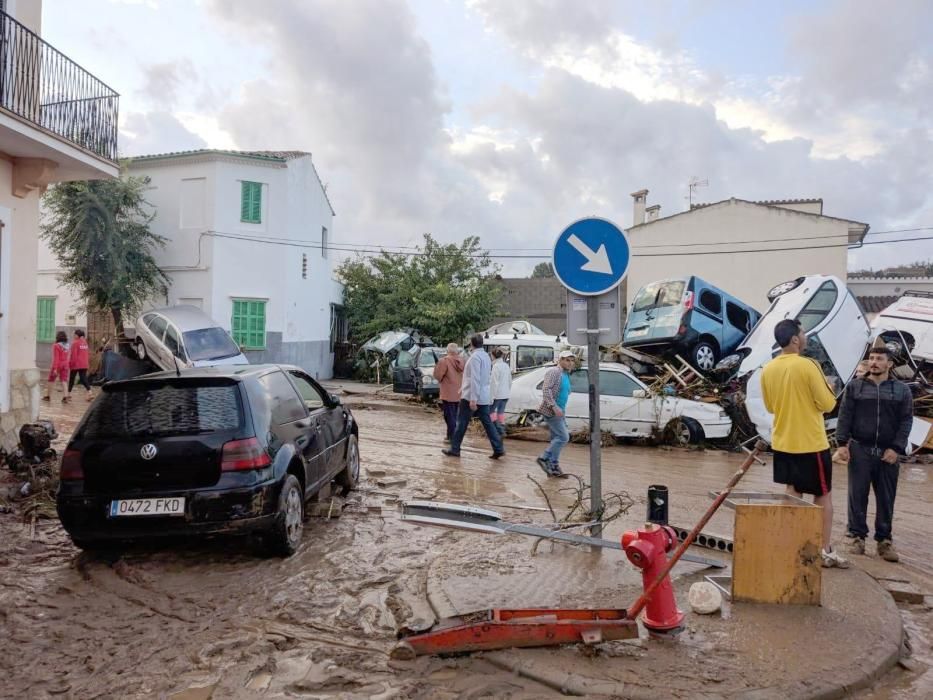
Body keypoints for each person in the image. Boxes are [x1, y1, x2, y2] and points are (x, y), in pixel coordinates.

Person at [760, 319, 848, 568]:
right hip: (810, 442)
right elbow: (828, 405)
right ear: (795, 340)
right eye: (803, 332)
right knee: (823, 495)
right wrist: (829, 388)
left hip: (783, 441)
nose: (805, 336)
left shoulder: (768, 368)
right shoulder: (809, 365)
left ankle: (791, 545)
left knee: (793, 492)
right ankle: (824, 550)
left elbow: (769, 406)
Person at [835, 346, 913, 562]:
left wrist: (897, 448)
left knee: (887, 498)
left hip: (888, 452)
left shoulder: (901, 391)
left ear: (890, 364)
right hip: (860, 448)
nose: (874, 362)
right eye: (871, 358)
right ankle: (857, 537)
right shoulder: (855, 388)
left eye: (879, 359)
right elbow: (845, 416)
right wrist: (842, 443)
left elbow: (906, 420)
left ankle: (884, 541)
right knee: (857, 495)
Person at [442, 334, 505, 459]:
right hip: (482, 396)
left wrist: (473, 399)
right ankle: (498, 447)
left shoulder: (475, 357)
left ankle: (455, 449)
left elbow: (475, 379)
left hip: (472, 396)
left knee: (462, 423)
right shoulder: (486, 356)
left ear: (471, 344)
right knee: (487, 423)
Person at [535, 350, 576, 478]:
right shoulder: (554, 372)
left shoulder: (565, 374)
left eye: (571, 360)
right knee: (564, 437)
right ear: (560, 360)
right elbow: (546, 390)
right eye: (567, 360)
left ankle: (554, 467)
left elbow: (565, 391)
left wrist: (561, 409)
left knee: (556, 439)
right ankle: (544, 458)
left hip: (560, 411)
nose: (570, 363)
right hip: (552, 411)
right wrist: (554, 407)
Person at [434, 343, 465, 443]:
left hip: (447, 393)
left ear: (447, 350)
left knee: (448, 416)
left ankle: (452, 437)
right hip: (459, 393)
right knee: (454, 415)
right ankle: (450, 436)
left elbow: (438, 375)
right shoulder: (462, 361)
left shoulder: (444, 361)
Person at [43, 331, 71, 403]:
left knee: (51, 380)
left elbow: (56, 358)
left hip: (58, 364)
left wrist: (55, 368)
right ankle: (65, 396)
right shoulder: (67, 345)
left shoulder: (56, 345)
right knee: (64, 380)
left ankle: (47, 396)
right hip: (65, 364)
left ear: (57, 337)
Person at [489, 347, 512, 437]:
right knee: (500, 413)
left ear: (493, 356)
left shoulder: (496, 366)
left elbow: (494, 383)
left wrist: (491, 397)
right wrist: (507, 391)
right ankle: (502, 430)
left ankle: (499, 431)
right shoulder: (506, 366)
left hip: (497, 395)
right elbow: (510, 381)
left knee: (490, 412)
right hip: (505, 394)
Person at [68, 329, 93, 401]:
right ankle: (90, 392)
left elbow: (74, 356)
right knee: (83, 378)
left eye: (74, 334)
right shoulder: (85, 343)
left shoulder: (75, 343)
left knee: (72, 379)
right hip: (84, 364)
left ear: (77, 336)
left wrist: (71, 364)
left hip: (76, 364)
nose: (73, 336)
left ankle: (68, 394)